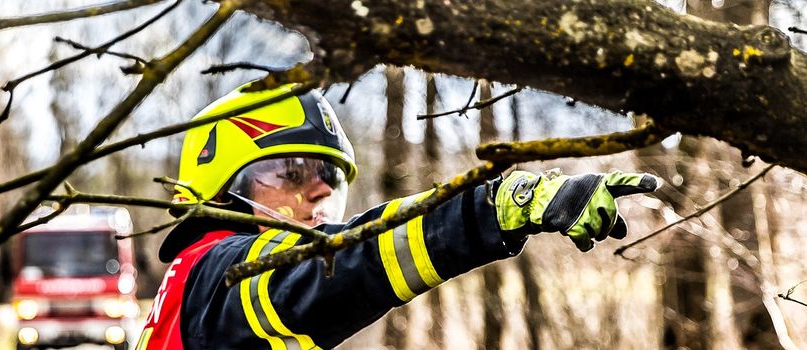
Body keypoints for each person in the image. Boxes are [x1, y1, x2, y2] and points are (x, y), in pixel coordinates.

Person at [136, 82, 658, 349]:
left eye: (329, 174)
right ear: (220, 190)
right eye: (292, 172)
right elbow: (347, 264)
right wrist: (498, 207)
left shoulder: (189, 285)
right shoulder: (222, 272)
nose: (320, 189)